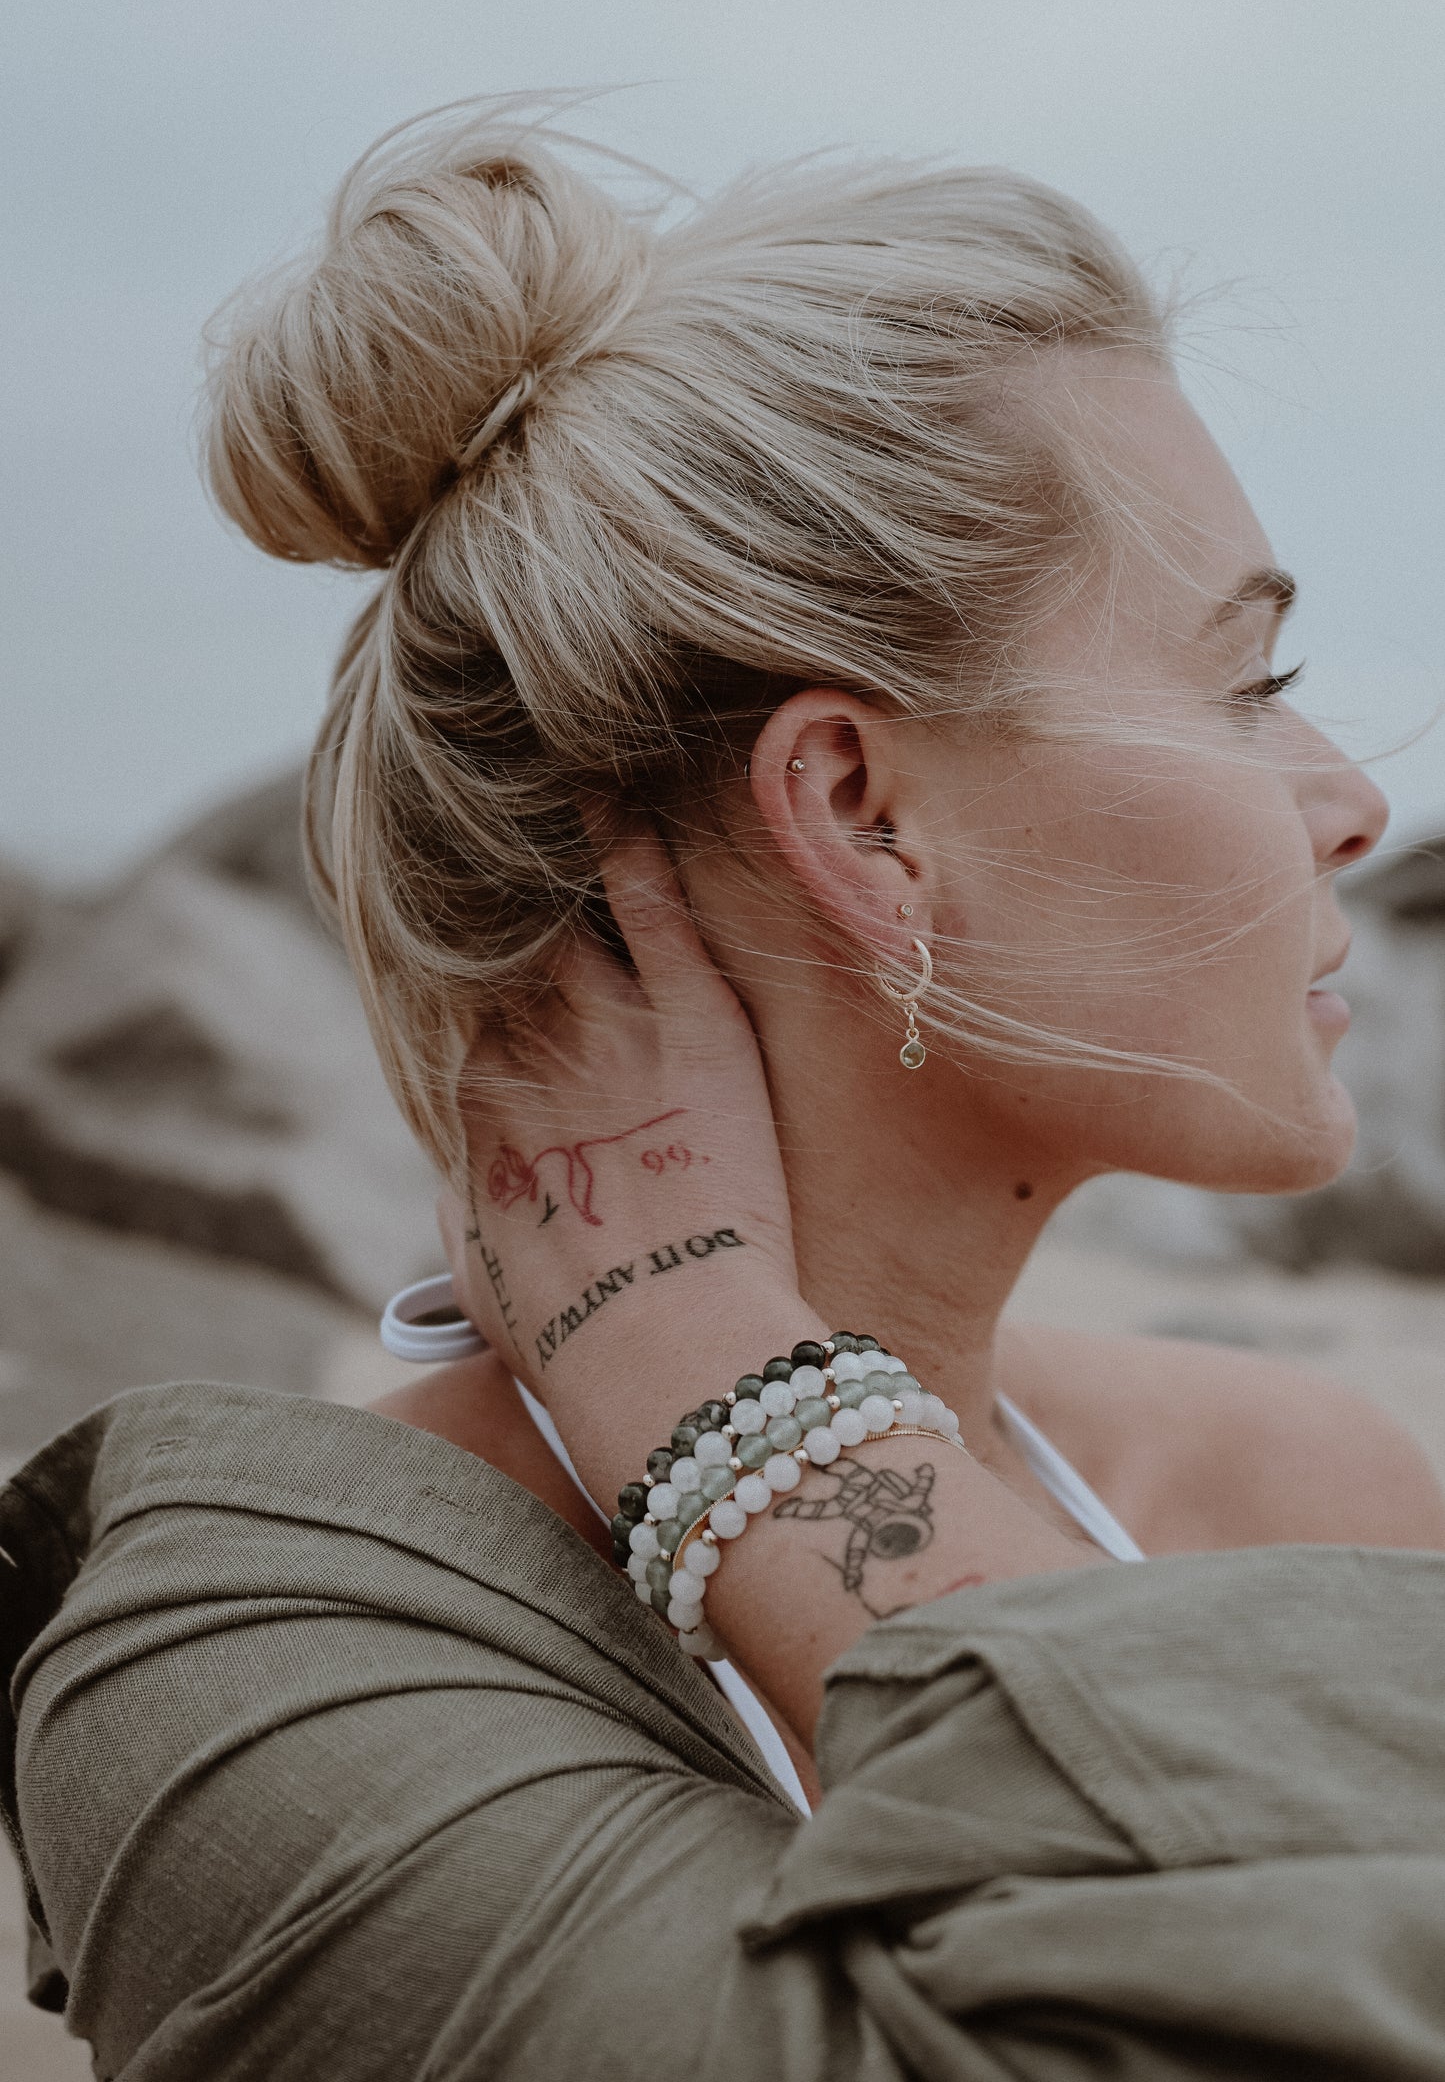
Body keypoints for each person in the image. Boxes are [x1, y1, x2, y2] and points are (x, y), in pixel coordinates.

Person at [5, 101, 1445, 2077]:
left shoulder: (1301, 1485)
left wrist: (715, 1389)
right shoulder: (257, 1679)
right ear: (859, 813)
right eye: (1246, 685)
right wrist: (721, 1406)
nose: (1354, 808)